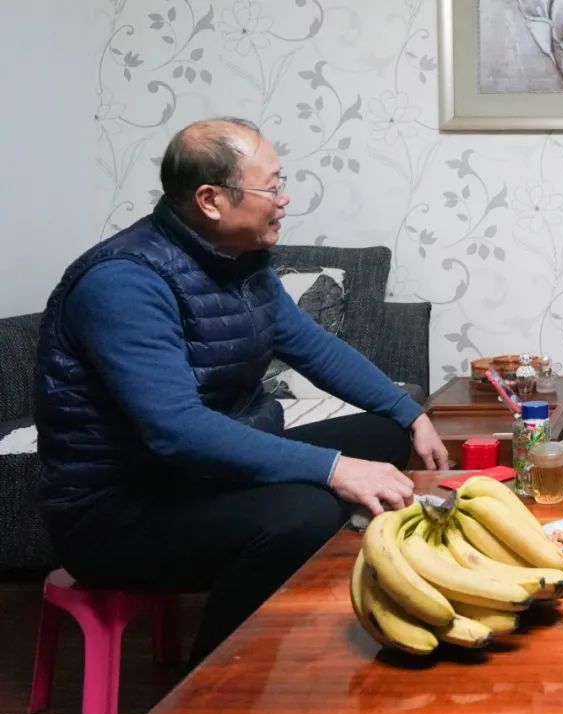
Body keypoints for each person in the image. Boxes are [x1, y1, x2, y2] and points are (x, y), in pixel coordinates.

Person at [33, 117, 449, 666]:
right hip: (120, 512)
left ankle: (327, 598)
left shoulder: (241, 261)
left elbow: (315, 348)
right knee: (303, 511)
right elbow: (177, 430)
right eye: (271, 187)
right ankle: (213, 682)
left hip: (201, 477)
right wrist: (332, 468)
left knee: (384, 431)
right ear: (210, 200)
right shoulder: (124, 282)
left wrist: (409, 412)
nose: (284, 199)